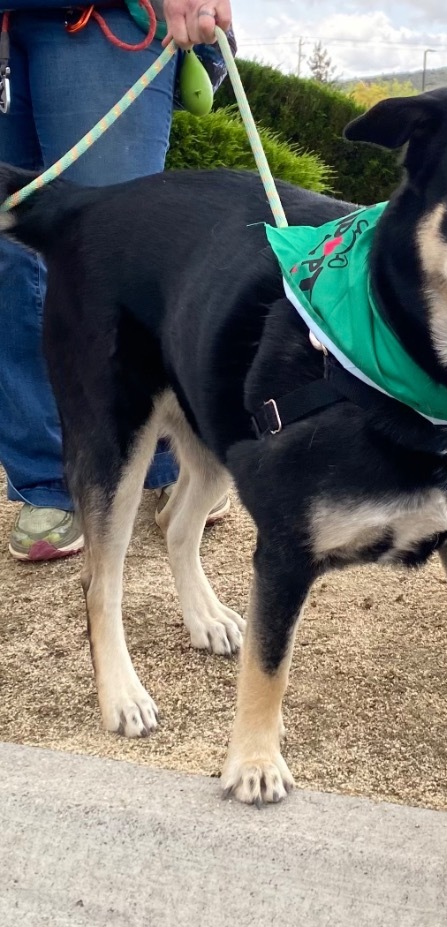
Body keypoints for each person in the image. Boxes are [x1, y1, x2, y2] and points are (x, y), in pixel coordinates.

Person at [0, 0, 232, 561]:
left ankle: (172, 458)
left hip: (100, 18)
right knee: (8, 266)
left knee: (125, 256)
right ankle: (47, 481)